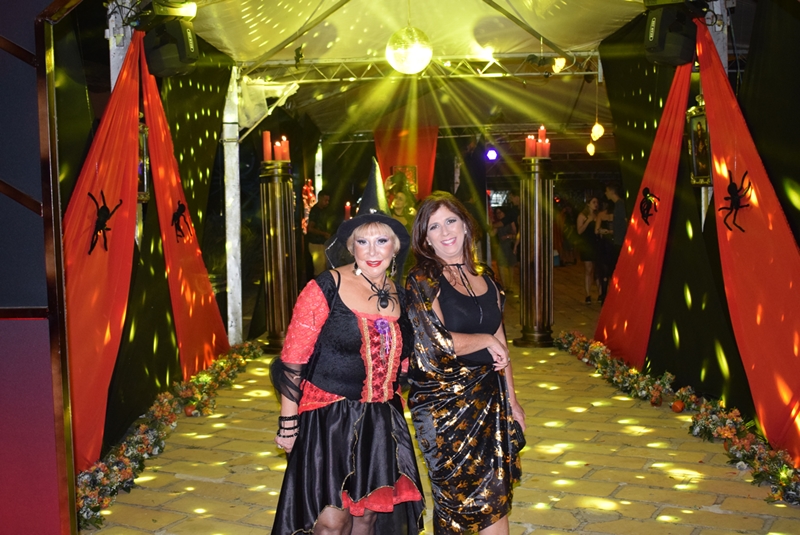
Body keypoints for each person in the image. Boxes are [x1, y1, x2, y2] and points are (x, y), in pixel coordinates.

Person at [270, 210, 425, 535]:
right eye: (362, 242)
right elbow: (293, 359)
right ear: (351, 248)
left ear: (395, 247)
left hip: (379, 423)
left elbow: (403, 361)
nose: (372, 251)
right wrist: (288, 423)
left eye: (381, 241)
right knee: (331, 521)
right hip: (329, 420)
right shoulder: (326, 286)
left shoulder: (401, 295)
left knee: (367, 516)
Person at [405, 191, 525, 534]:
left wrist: (512, 400)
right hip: (444, 408)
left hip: (490, 402)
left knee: (495, 493)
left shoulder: (486, 276)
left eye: (450, 221)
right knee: (457, 503)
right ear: (425, 239)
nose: (445, 232)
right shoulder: (422, 280)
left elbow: (501, 344)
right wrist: (483, 341)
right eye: (434, 227)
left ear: (465, 225)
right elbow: (433, 343)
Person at [576, 197, 601, 303]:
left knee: (598, 269)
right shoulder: (582, 216)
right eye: (593, 202)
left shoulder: (598, 215)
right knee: (588, 269)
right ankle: (588, 294)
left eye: (597, 202)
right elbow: (579, 231)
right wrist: (588, 221)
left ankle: (600, 293)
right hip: (586, 245)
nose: (596, 204)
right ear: (588, 204)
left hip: (597, 244)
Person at [306, 190, 333, 276]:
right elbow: (310, 229)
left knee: (324, 269)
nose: (327, 203)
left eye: (328, 200)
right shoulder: (315, 211)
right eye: (325, 200)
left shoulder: (324, 211)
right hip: (316, 244)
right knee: (319, 271)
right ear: (320, 198)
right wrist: (324, 234)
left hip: (322, 244)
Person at [594, 199, 615, 303]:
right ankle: (608, 294)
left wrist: (603, 231)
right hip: (611, 244)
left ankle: (604, 294)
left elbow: (596, 230)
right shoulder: (616, 215)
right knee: (610, 269)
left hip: (605, 245)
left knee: (604, 270)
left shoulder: (601, 215)